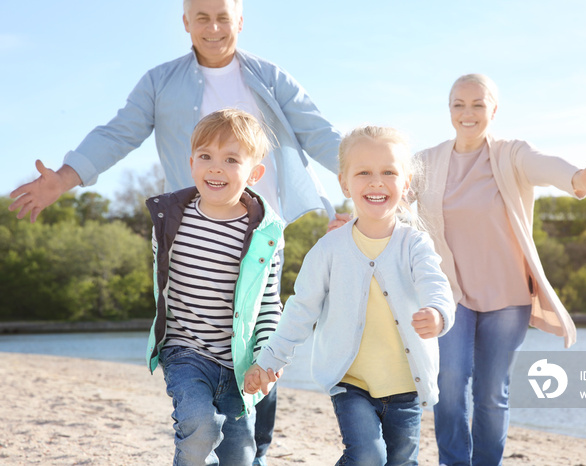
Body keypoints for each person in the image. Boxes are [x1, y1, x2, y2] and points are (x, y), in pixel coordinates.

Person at [8, 0, 342, 461]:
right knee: (197, 326)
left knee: (258, 330)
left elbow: (319, 132)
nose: (213, 26)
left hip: (261, 233)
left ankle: (255, 451)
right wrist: (65, 178)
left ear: (240, 22)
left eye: (223, 16)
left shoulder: (270, 77)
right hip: (192, 230)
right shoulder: (160, 81)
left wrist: (370, 180)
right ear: (185, 23)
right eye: (201, 16)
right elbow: (118, 132)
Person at [413, 74, 586, 466]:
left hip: (506, 297)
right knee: (449, 385)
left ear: (494, 109)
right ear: (449, 109)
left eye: (477, 104)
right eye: (458, 104)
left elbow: (545, 166)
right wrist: (353, 217)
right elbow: (391, 194)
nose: (467, 113)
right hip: (449, 297)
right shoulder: (427, 162)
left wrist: (577, 178)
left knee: (491, 392)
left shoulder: (511, 154)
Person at [244, 126, 456, 465]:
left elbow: (436, 284)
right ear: (344, 182)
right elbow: (301, 311)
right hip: (350, 382)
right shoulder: (328, 250)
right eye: (364, 173)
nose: (376, 181)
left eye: (389, 172)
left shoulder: (414, 244)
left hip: (406, 385)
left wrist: (438, 312)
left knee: (401, 461)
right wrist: (268, 361)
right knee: (367, 456)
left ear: (407, 182)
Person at [146, 108, 284, 465]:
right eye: (205, 156)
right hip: (185, 351)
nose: (216, 167)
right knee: (199, 427)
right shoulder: (170, 219)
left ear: (254, 173)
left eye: (231, 159)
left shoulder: (266, 234)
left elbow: (268, 304)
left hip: (239, 364)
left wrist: (265, 360)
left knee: (239, 454)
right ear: (191, 162)